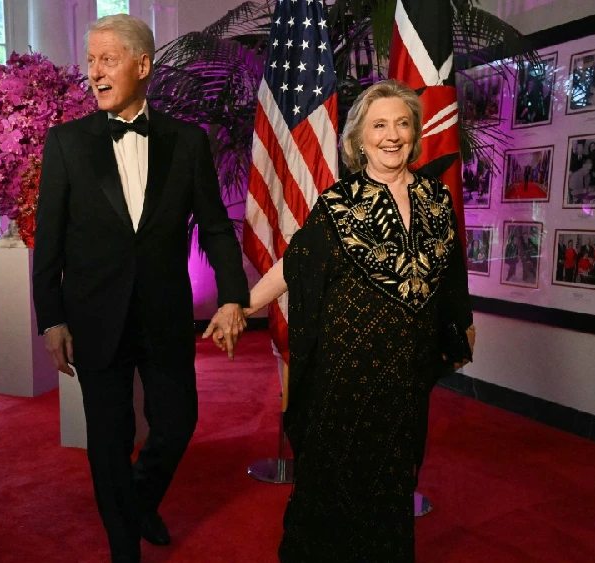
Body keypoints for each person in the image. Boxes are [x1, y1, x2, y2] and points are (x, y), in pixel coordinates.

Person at [208, 80, 475, 562]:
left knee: (393, 487)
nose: (391, 135)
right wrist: (239, 305)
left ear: (415, 134)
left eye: (402, 124)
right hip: (344, 379)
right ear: (358, 139)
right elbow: (293, 268)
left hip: (404, 380)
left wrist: (463, 323)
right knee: (332, 490)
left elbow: (451, 275)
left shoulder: (437, 201)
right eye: (379, 125)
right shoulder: (339, 205)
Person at [31, 14, 249, 563]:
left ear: (142, 65)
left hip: (164, 315)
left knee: (177, 423)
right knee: (109, 436)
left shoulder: (187, 142)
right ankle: (124, 547)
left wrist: (231, 297)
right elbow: (48, 241)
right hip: (94, 316)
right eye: (90, 61)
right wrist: (51, 319)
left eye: (107, 60)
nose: (94, 73)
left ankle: (139, 499)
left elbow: (218, 227)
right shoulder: (66, 143)